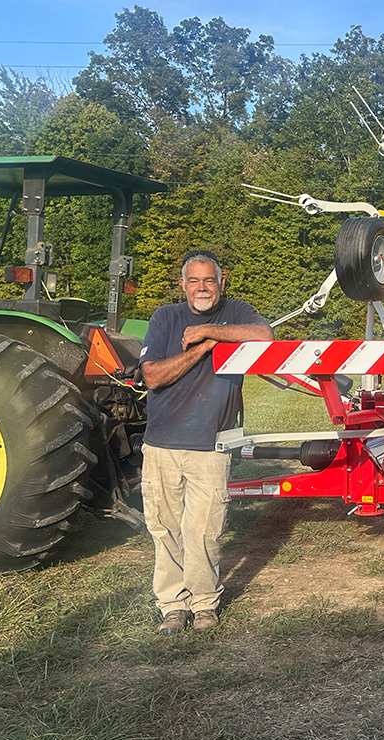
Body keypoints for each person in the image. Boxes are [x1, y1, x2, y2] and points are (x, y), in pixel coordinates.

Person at [139, 250, 273, 635]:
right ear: (183, 285)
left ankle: (204, 604)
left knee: (203, 530)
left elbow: (264, 335)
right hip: (162, 444)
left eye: (209, 280)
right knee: (165, 528)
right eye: (194, 281)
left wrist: (211, 330)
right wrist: (205, 346)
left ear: (222, 281)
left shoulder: (238, 310)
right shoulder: (166, 318)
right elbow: (153, 376)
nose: (202, 288)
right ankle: (172, 606)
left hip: (211, 445)